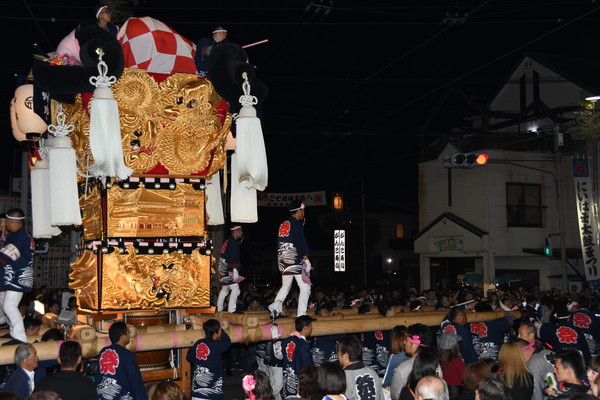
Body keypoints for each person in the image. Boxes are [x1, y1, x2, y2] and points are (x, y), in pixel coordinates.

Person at [269, 200, 312, 318]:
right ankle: (301, 315)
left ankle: (274, 311)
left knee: (285, 287)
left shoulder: (283, 223)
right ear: (298, 211)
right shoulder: (296, 223)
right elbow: (301, 242)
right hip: (294, 258)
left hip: (282, 259)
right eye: (303, 211)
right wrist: (306, 260)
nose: (303, 213)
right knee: (305, 287)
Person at [0, 208, 35, 343]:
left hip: (18, 276)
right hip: (17, 276)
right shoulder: (21, 235)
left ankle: (20, 336)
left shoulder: (19, 237)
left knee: (9, 306)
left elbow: (4, 259)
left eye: (6, 221)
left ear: (11, 221)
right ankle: (14, 332)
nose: (5, 224)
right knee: (8, 305)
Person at [96, 321, 147, 400]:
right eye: (128, 332)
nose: (129, 335)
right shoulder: (128, 355)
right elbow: (135, 383)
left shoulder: (103, 352)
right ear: (123, 336)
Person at [187, 318, 231, 400]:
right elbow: (227, 342)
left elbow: (189, 357)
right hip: (212, 394)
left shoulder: (198, 343)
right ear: (215, 333)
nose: (221, 331)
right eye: (220, 329)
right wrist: (223, 332)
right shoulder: (216, 345)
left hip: (196, 392)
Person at [390, 323, 433, 399]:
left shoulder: (401, 370)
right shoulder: (436, 365)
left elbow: (395, 395)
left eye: (406, 340)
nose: (404, 342)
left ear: (416, 345)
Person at [337, 334, 382, 400]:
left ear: (346, 356)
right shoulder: (372, 372)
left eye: (338, 352)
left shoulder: (342, 377)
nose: (337, 355)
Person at [280, 315, 315, 398]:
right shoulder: (303, 344)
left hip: (287, 379)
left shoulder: (286, 341)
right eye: (310, 326)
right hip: (299, 384)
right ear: (305, 328)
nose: (312, 328)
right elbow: (307, 366)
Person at [217, 225, 245, 313]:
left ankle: (219, 308)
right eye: (240, 231)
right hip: (228, 269)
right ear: (236, 232)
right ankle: (231, 309)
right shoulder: (232, 242)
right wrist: (235, 269)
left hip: (222, 268)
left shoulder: (228, 241)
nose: (242, 232)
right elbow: (234, 257)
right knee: (236, 289)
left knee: (225, 290)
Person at [437, 332, 464, 400]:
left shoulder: (436, 359)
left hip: (440, 391)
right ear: (455, 346)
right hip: (455, 392)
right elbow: (463, 378)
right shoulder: (457, 361)